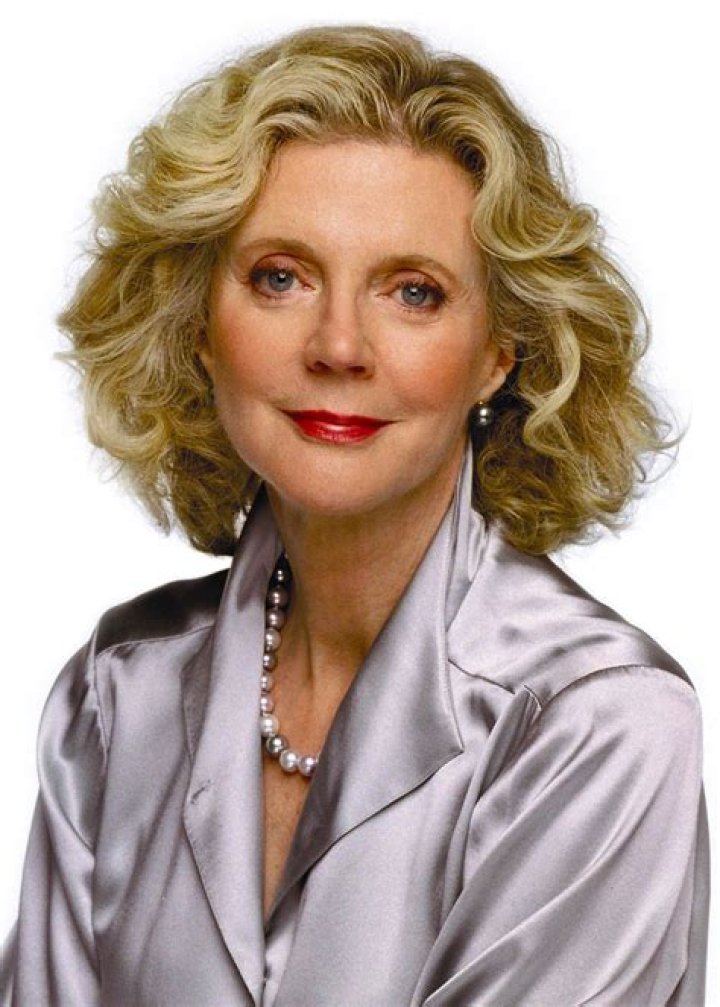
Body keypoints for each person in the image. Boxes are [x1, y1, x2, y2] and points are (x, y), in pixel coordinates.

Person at [1, 22, 709, 1007]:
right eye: (280, 277)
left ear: (499, 351)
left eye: (413, 291)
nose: (339, 345)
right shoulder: (119, 691)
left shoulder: (600, 720)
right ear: (198, 322)